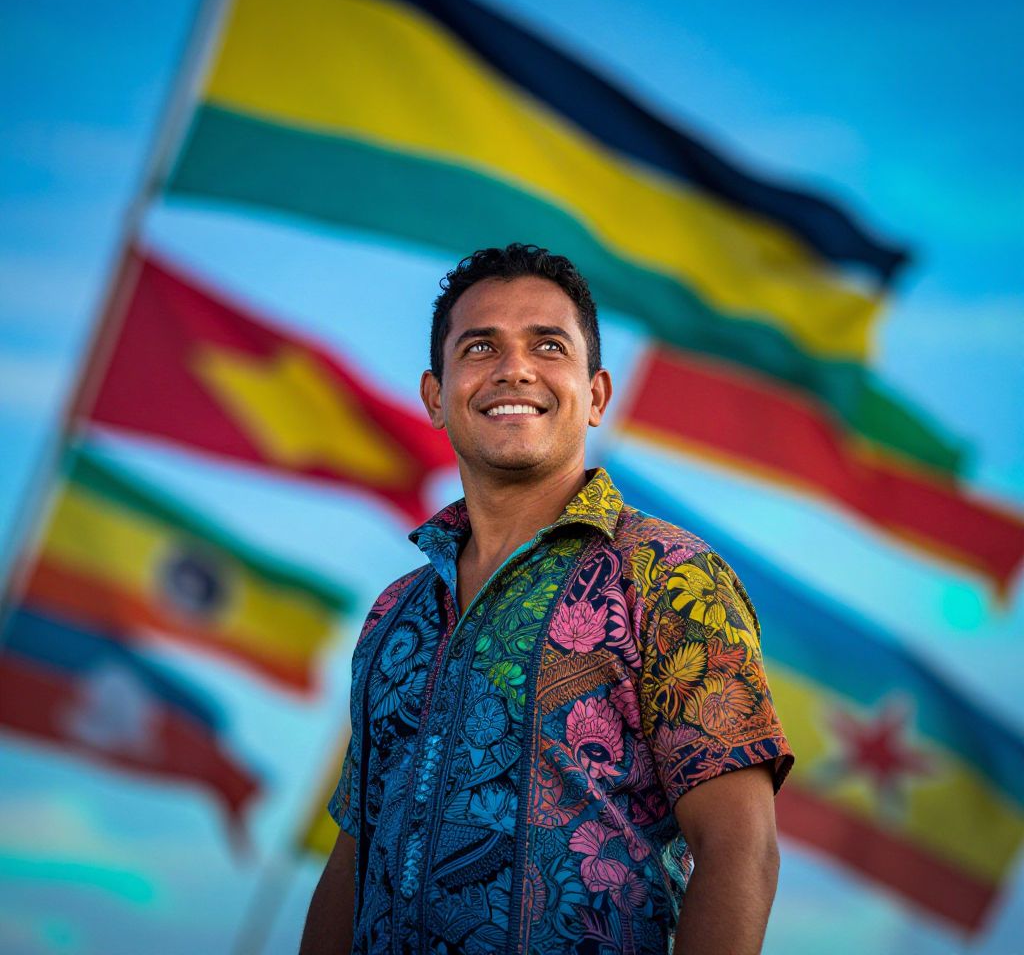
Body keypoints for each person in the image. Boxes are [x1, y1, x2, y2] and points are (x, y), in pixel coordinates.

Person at [300, 244, 793, 955]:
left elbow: (741, 851)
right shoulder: (394, 614)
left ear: (595, 395)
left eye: (548, 345)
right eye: (480, 346)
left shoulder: (669, 576)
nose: (514, 369)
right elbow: (354, 857)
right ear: (436, 397)